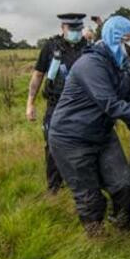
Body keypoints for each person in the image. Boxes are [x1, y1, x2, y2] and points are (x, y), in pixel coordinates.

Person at [48, 16, 130, 236]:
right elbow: (113, 105)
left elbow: (128, 107)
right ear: (112, 39)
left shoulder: (123, 69)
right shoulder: (91, 65)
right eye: (128, 40)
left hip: (102, 134)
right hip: (71, 138)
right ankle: (96, 237)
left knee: (127, 185)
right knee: (89, 196)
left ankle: (121, 225)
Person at [25, 13, 88, 194]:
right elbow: (38, 75)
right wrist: (30, 103)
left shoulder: (88, 48)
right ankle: (54, 188)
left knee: (83, 145)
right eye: (71, 29)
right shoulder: (51, 47)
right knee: (52, 146)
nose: (75, 32)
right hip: (56, 104)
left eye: (78, 29)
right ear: (62, 28)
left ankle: (82, 184)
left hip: (82, 105)